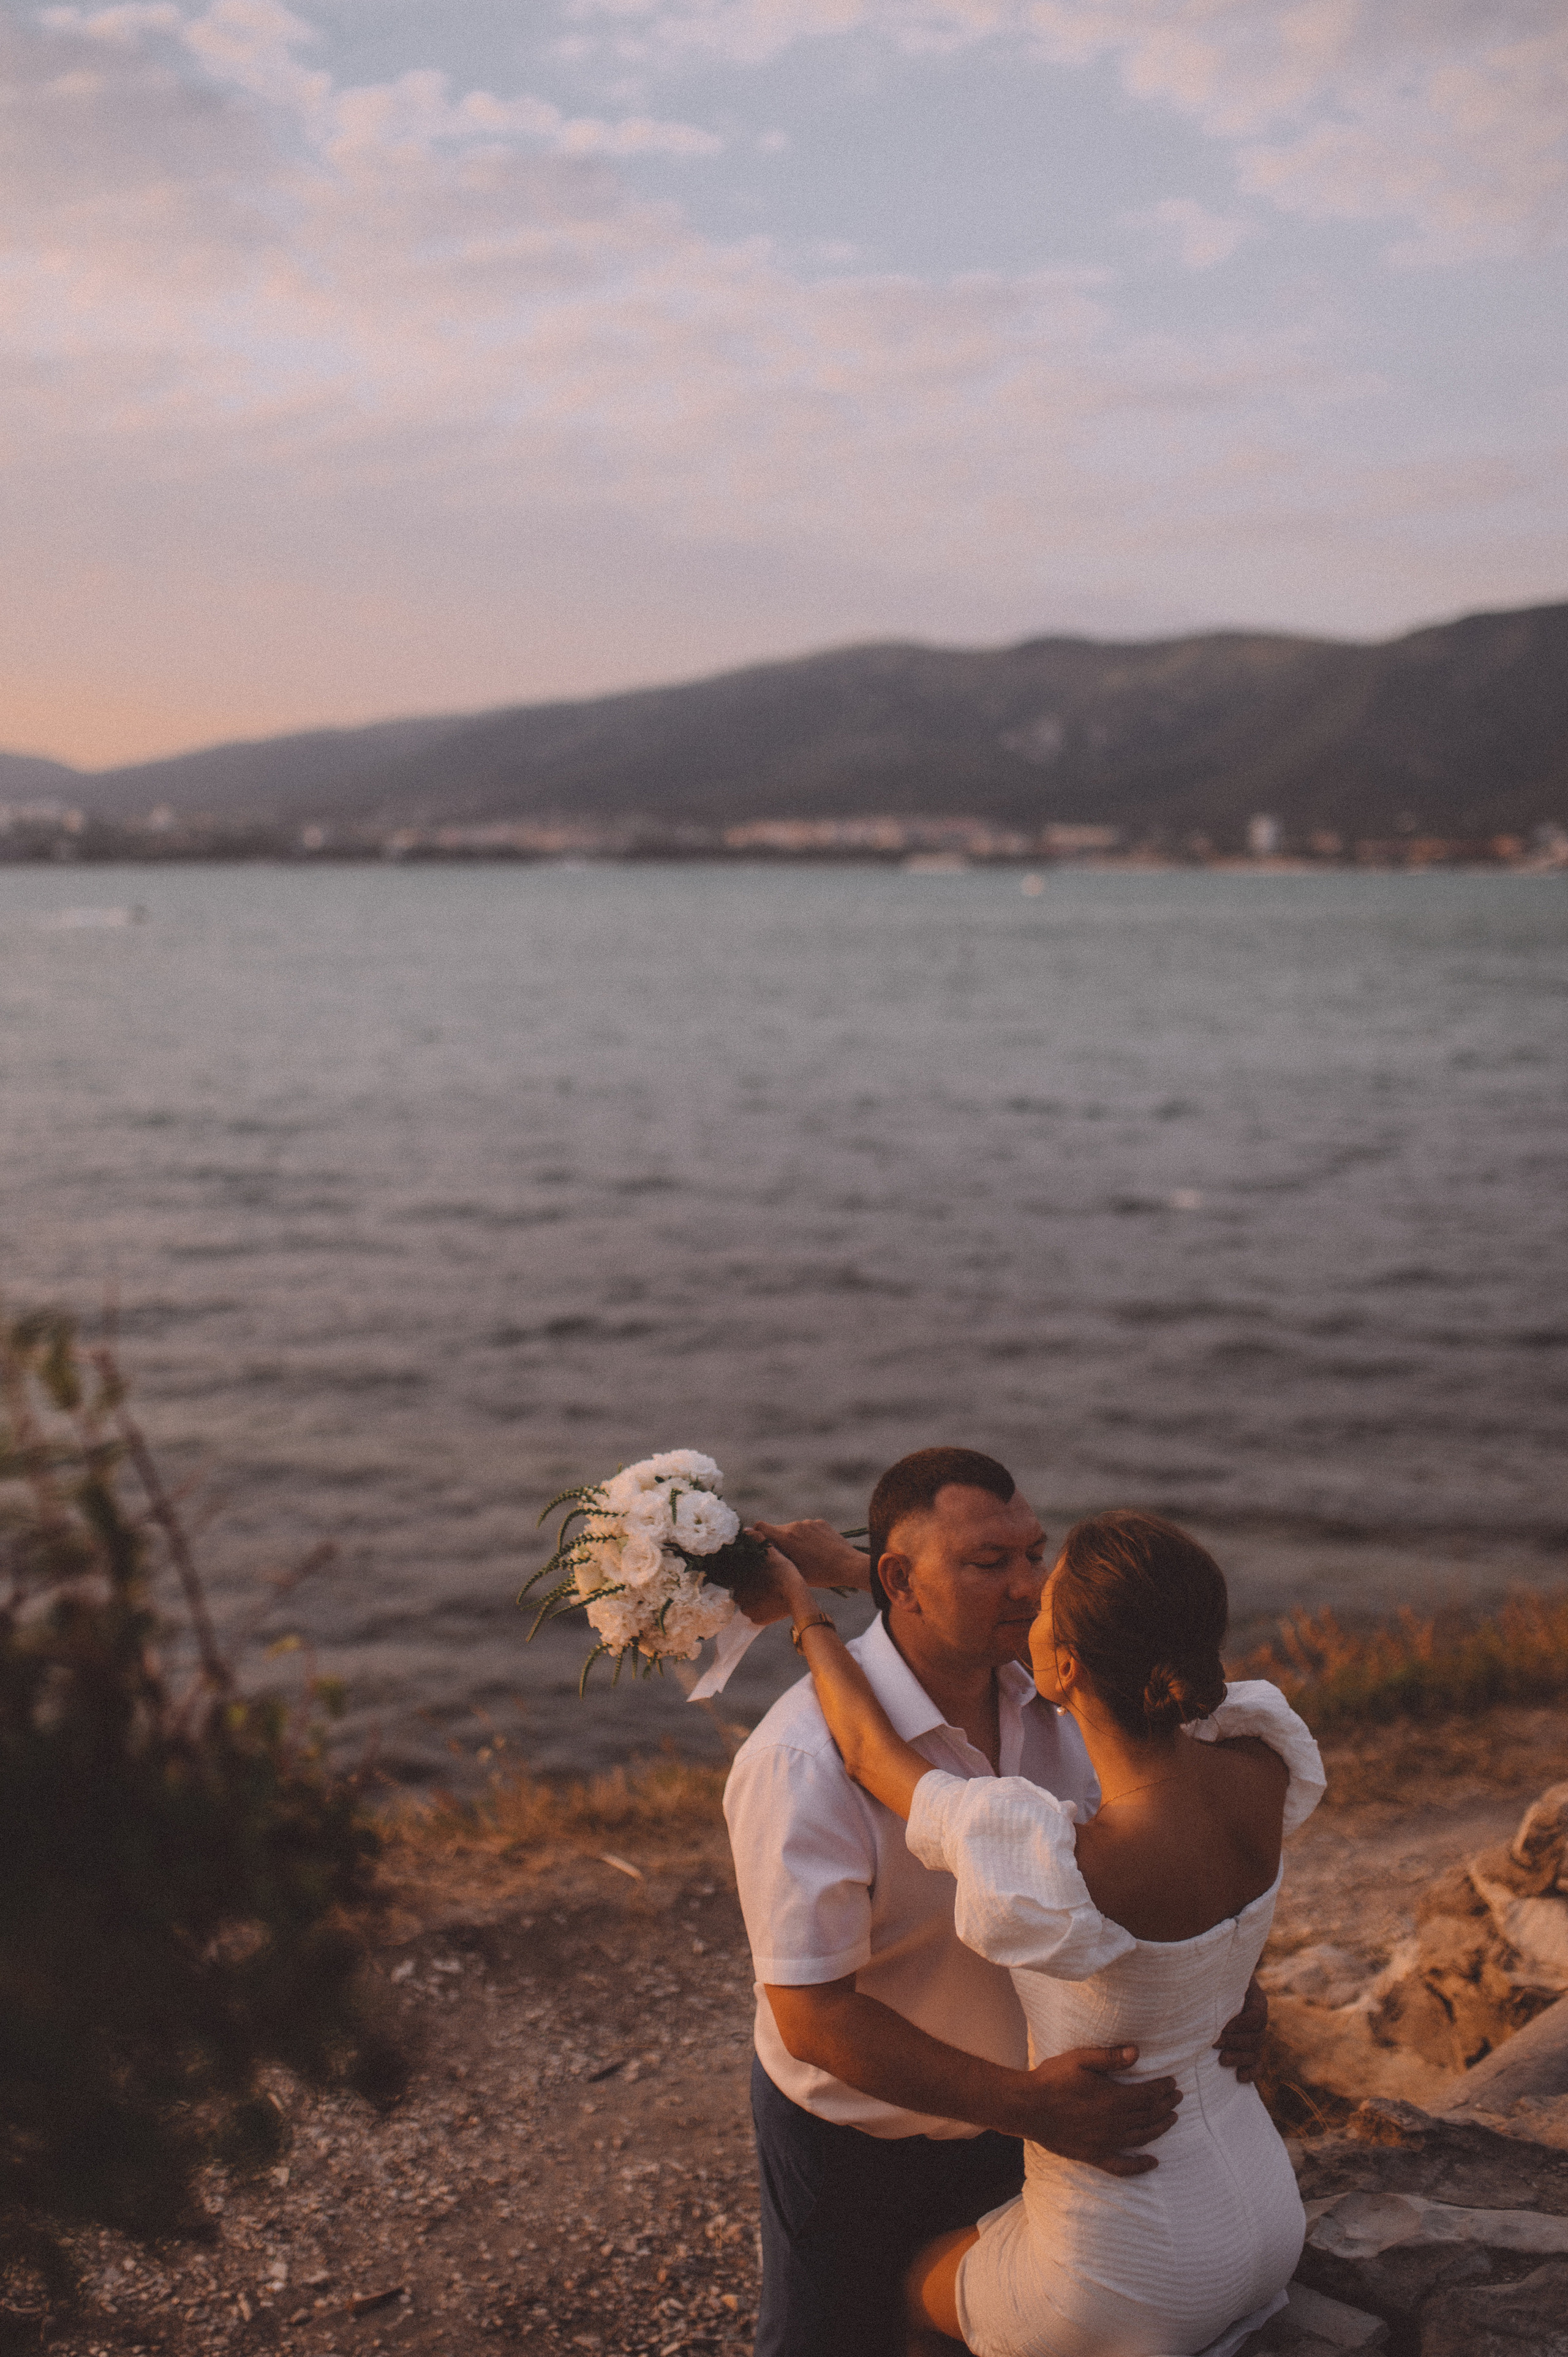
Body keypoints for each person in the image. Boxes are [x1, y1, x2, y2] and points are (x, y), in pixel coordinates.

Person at [724, 1449, 1271, 2357]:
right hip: (864, 2140)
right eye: (989, 1563)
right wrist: (1028, 2105)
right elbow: (812, 2018)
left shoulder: (1078, 1691)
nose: (1030, 1587)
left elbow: (1185, 1844)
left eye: (1035, 1555)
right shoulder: (798, 1762)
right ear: (901, 1581)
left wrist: (1233, 1983)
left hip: (1046, 2131)